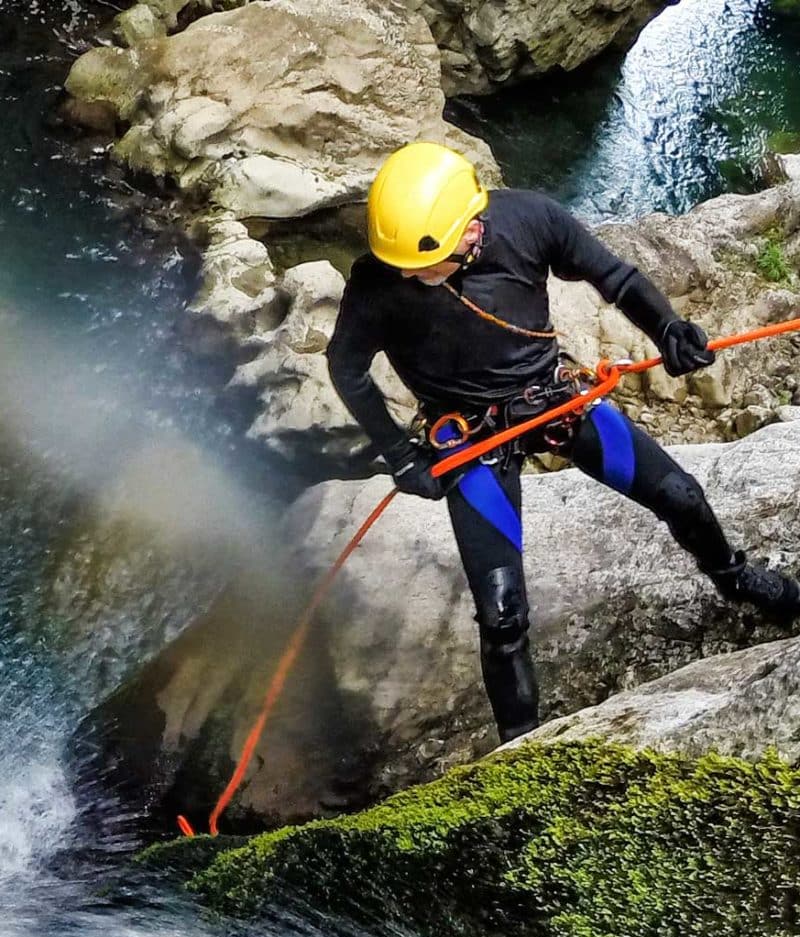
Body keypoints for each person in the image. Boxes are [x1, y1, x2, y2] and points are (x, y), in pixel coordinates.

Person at [327, 141, 800, 743]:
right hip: (469, 436)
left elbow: (615, 277)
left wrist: (669, 331)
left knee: (680, 493)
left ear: (471, 228)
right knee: (502, 617)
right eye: (403, 266)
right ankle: (521, 751)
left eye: (426, 264)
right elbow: (346, 367)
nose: (410, 276)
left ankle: (733, 577)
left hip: (553, 398)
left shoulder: (528, 219)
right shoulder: (378, 282)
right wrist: (399, 454)